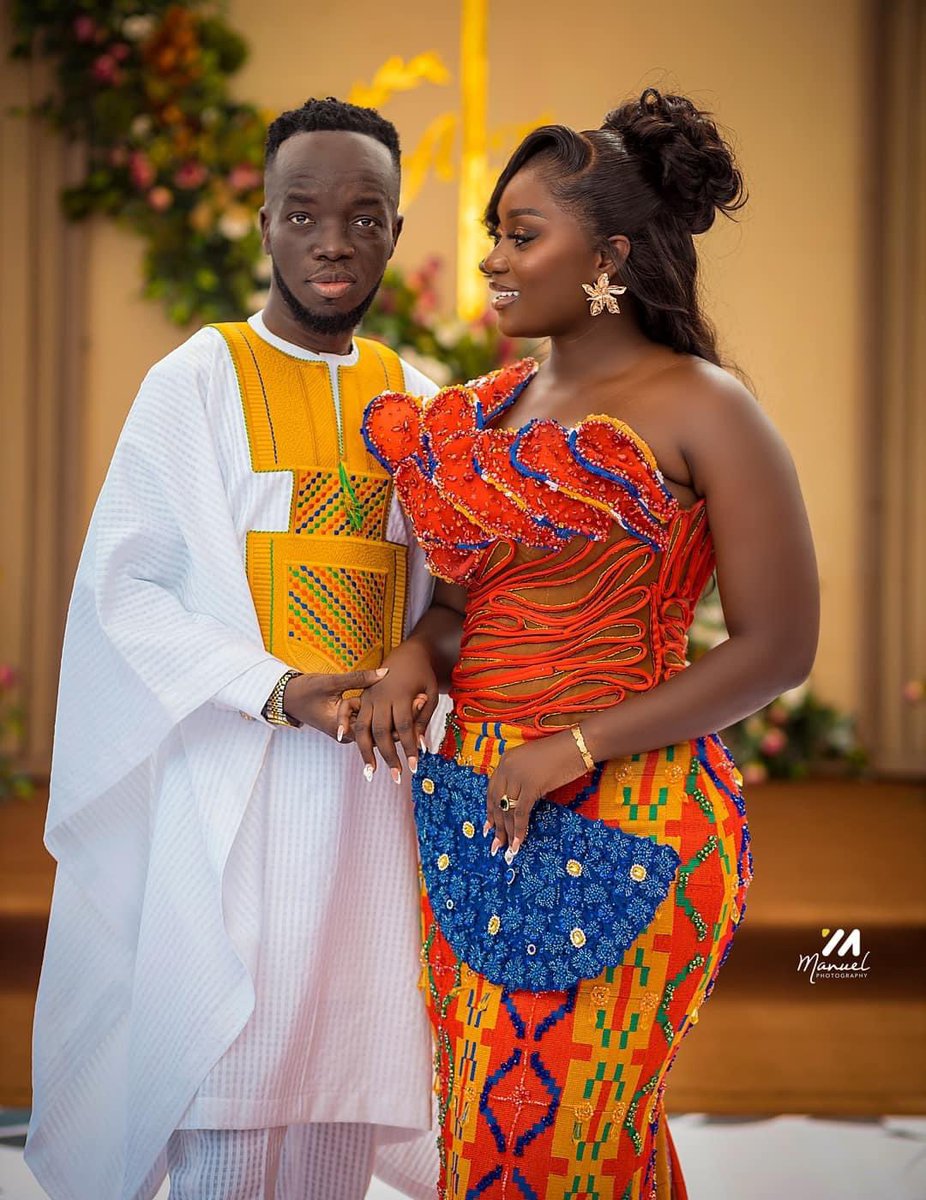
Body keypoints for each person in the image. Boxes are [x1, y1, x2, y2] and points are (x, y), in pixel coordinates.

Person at [358, 88, 819, 1198]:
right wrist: (420, 654)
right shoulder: (488, 410)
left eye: (522, 235)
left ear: (608, 255)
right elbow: (468, 606)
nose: (492, 260)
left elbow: (777, 648)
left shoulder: (702, 406)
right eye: (491, 236)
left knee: (553, 1143)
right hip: (477, 808)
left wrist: (570, 746)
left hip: (635, 811)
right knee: (498, 1140)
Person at [26, 97, 444, 1200]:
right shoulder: (194, 382)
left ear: (396, 230)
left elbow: (458, 593)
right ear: (261, 222)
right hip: (237, 783)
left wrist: (412, 666)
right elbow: (130, 592)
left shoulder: (420, 402)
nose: (333, 240)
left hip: (370, 805)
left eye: (364, 216)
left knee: (340, 1100)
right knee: (228, 1086)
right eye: (302, 213)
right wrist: (278, 689)